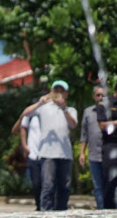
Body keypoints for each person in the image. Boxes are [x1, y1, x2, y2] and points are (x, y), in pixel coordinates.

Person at [21, 80, 77, 211]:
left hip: (65, 154)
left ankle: (61, 212)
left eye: (61, 91)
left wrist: (63, 108)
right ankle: (45, 212)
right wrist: (39, 103)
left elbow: (73, 125)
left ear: (66, 94)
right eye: (55, 90)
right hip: (47, 154)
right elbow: (26, 113)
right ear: (51, 92)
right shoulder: (43, 108)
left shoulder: (71, 110)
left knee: (64, 186)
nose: (58, 93)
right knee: (48, 185)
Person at [80, 85, 106, 209]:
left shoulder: (111, 111)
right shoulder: (88, 112)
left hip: (109, 156)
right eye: (98, 95)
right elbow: (84, 134)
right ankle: (102, 211)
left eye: (103, 95)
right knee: (98, 187)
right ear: (93, 96)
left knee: (111, 186)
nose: (100, 97)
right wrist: (81, 153)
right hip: (94, 155)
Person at [20, 97, 43, 211]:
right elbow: (23, 129)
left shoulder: (46, 115)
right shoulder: (29, 116)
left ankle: (47, 206)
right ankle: (39, 205)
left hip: (46, 154)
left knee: (47, 182)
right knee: (36, 183)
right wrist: (24, 145)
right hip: (33, 154)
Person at [96, 84, 117, 209]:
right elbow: (102, 125)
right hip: (111, 144)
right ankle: (109, 210)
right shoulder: (104, 103)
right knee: (110, 180)